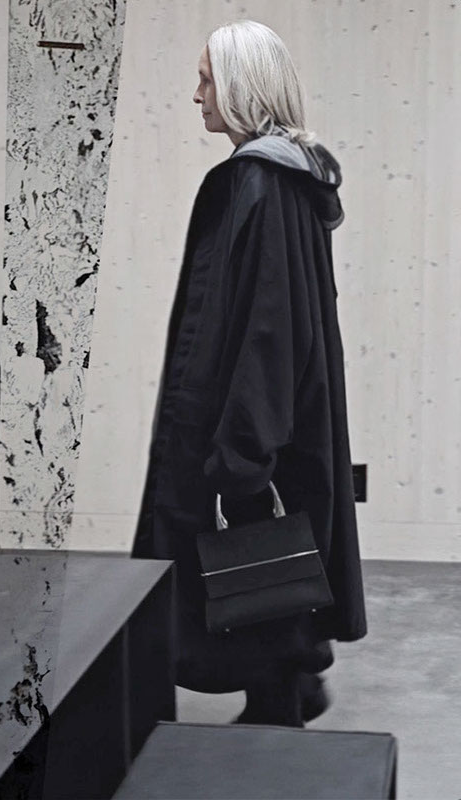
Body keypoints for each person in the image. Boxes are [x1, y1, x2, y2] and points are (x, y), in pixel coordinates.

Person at [131, 21, 366, 727]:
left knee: (244, 554)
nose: (196, 94)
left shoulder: (255, 184)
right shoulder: (286, 180)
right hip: (272, 421)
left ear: (240, 86)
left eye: (206, 79)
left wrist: (240, 452)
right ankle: (290, 681)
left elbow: (267, 329)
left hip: (243, 426)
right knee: (273, 560)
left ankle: (279, 702)